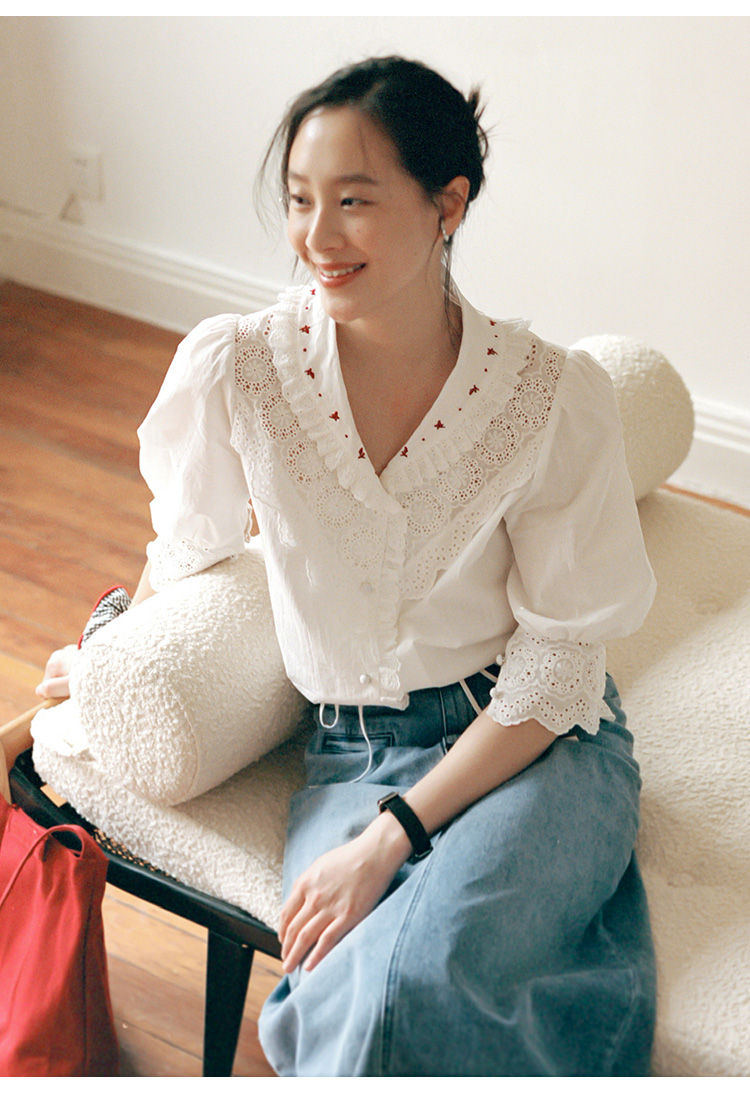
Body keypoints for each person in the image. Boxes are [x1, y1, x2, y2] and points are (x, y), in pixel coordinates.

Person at [37, 56, 658, 1076]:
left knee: (421, 981)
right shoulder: (240, 367)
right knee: (356, 997)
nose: (317, 237)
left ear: (448, 203)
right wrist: (109, 653)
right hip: (353, 754)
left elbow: (559, 666)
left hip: (527, 742)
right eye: (299, 201)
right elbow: (190, 547)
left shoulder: (549, 397)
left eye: (355, 201)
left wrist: (388, 840)